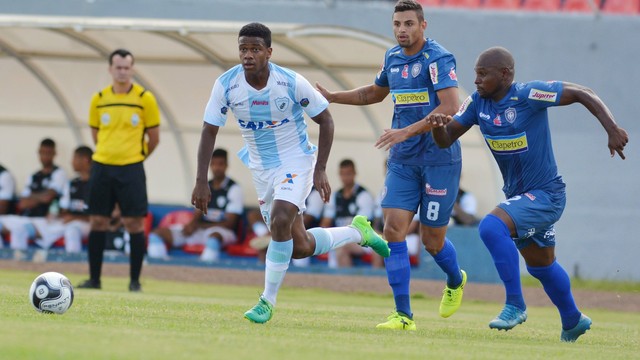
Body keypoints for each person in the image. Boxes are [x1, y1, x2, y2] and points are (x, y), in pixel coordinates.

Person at [421, 46, 628, 342]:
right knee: (541, 265)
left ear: (505, 74)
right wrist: (437, 128)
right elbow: (446, 139)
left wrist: (611, 128)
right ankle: (573, 320)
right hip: (521, 197)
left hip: (546, 194)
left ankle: (515, 304)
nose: (476, 80)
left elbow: (583, 92)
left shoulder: (529, 95)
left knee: (491, 226)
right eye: (475, 74)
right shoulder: (477, 103)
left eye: (483, 74)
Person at [191, 22, 390, 324]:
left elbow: (326, 120)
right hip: (261, 169)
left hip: (296, 161)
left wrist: (321, 168)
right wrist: (200, 181)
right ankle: (357, 232)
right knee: (299, 246)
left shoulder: (291, 82)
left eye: (255, 49)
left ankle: (266, 301)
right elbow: (209, 131)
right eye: (243, 48)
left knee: (281, 218)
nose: (248, 55)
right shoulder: (226, 85)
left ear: (269, 52)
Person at [315, 0, 466, 330]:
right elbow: (374, 92)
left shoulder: (438, 58)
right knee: (393, 229)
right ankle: (403, 315)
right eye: (397, 23)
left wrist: (406, 131)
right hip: (403, 160)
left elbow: (451, 106)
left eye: (409, 23)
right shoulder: (392, 58)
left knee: (432, 242)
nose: (402, 30)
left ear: (423, 25)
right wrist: (333, 97)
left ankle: (456, 280)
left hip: (439, 158)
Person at [78, 48, 160, 292]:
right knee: (97, 221)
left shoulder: (145, 98)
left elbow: (153, 138)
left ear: (132, 69)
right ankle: (94, 280)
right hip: (102, 167)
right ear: (110, 69)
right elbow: (96, 135)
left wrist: (135, 157)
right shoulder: (99, 99)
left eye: (126, 67)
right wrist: (109, 153)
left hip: (131, 168)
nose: (122, 71)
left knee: (134, 223)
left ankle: (134, 281)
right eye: (118, 67)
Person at [147, 148, 244, 262]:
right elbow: (197, 213)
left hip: (222, 232)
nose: (217, 168)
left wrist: (199, 226)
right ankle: (160, 271)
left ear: (226, 165)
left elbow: (230, 224)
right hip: (200, 230)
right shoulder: (205, 186)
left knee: (213, 239)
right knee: (157, 234)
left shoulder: (234, 188)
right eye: (213, 164)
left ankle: (205, 273)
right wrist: (191, 225)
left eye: (220, 164)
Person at [0, 138, 67, 251]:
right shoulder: (34, 176)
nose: (44, 156)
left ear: (54, 154)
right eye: (42, 153)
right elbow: (22, 203)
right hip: (26, 218)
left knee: (19, 230)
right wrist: (41, 197)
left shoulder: (59, 173)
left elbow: (48, 197)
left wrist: (33, 196)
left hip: (44, 220)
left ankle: (18, 265)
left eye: (48, 153)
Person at [29, 146, 93, 253]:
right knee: (50, 224)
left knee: (72, 230)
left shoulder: (98, 184)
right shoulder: (73, 183)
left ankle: (73, 264)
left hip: (89, 224)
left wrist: (76, 217)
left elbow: (101, 216)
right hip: (73, 221)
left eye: (74, 158)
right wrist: (58, 215)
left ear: (85, 159)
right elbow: (64, 208)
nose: (71, 161)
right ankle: (41, 253)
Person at [320, 159, 377, 268]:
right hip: (341, 238)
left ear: (355, 173)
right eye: (343, 174)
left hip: (364, 239)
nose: (346, 177)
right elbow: (325, 222)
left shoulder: (363, 195)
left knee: (341, 247)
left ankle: (346, 281)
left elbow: (360, 227)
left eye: (349, 174)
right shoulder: (335, 196)